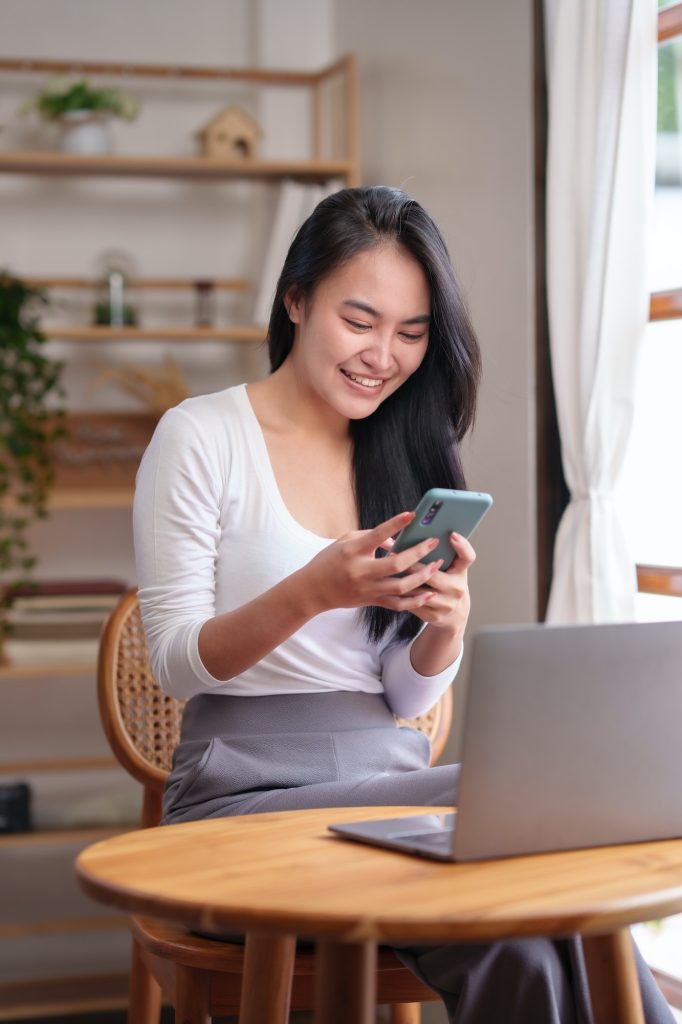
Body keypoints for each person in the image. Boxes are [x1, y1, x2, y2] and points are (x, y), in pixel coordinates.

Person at [133, 186, 673, 1024]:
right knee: (519, 813)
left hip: (387, 784)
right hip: (236, 801)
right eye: (360, 321)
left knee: (521, 935)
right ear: (296, 298)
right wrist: (317, 587)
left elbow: (403, 697)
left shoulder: (402, 446)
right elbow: (173, 660)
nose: (382, 355)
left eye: (412, 333)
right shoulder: (201, 437)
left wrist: (442, 631)